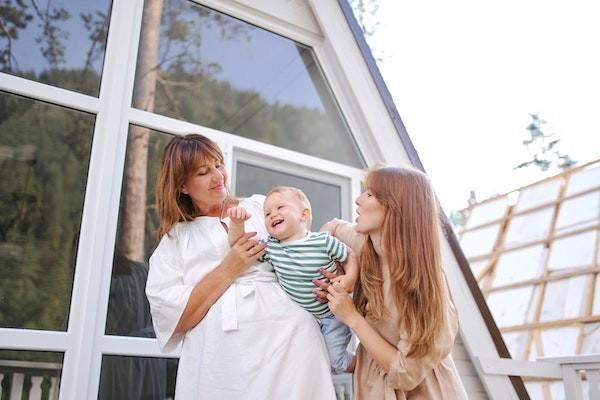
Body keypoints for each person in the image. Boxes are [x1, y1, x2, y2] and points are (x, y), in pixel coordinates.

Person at [145, 134, 336, 399]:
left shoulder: (260, 206)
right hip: (222, 356)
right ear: (182, 186)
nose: (218, 176)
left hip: (290, 339)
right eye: (203, 172)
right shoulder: (175, 241)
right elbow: (174, 319)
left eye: (219, 164)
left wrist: (332, 276)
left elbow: (303, 246)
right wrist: (228, 269)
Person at [316, 165, 468, 399]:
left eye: (369, 194)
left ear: (396, 206)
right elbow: (334, 227)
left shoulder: (424, 284)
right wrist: (334, 266)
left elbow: (405, 374)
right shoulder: (365, 248)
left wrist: (352, 317)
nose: (358, 200)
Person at [227, 186, 357, 374]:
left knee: (335, 362)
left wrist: (350, 278)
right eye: (267, 213)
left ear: (303, 215)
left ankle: (369, 365)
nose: (272, 214)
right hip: (307, 321)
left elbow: (350, 256)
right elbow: (238, 248)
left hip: (333, 315)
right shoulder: (272, 248)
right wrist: (237, 223)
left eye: (280, 207)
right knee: (309, 364)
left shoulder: (323, 241)